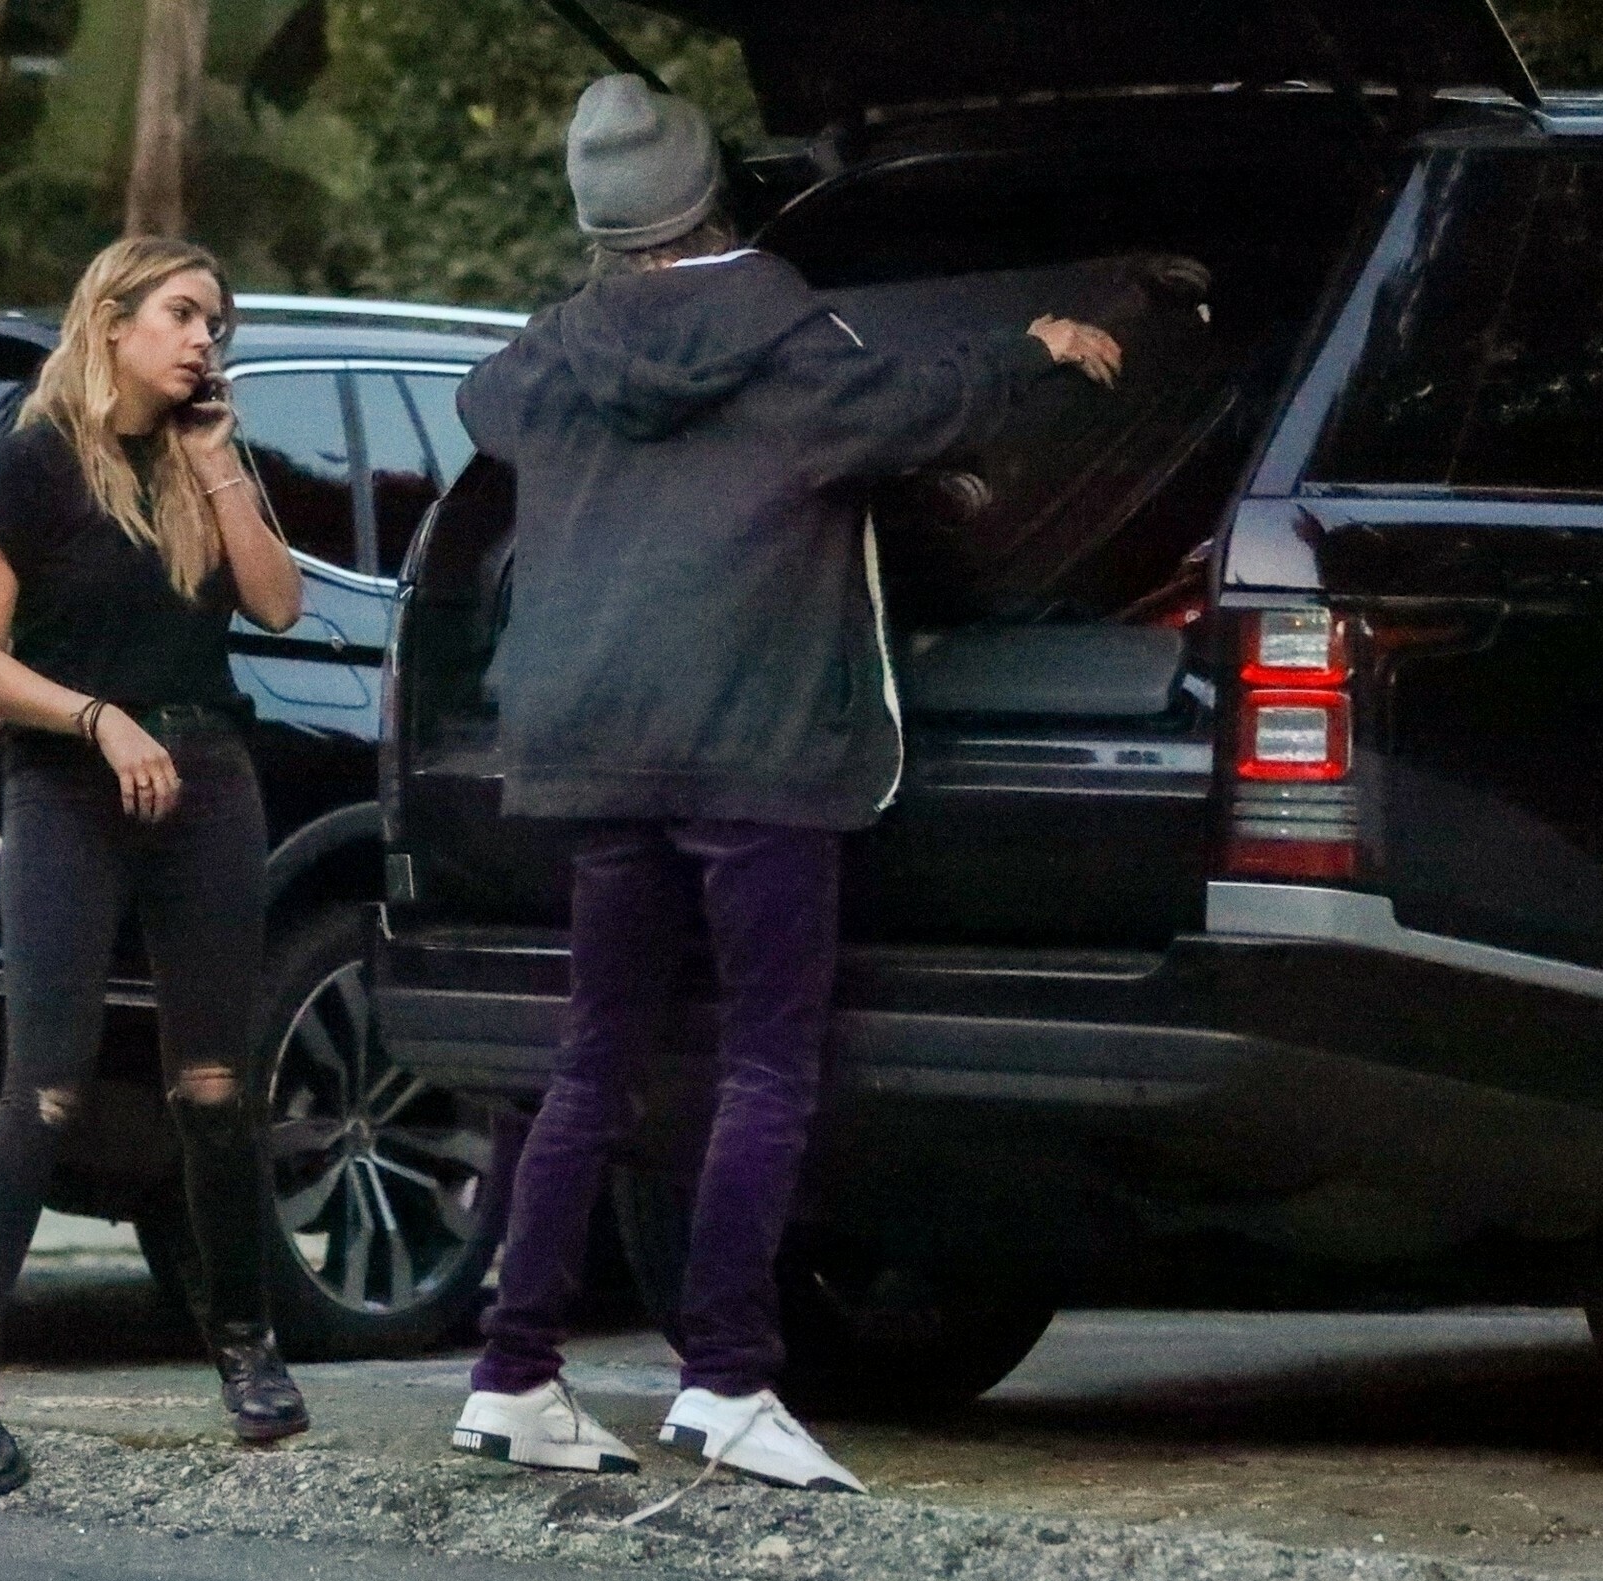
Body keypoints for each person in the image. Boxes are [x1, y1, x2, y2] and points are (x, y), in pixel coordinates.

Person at [447, 75, 1122, 1494]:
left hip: (591, 749)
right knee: (764, 1065)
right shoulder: (791, 343)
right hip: (755, 752)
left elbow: (484, 401)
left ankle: (512, 1375)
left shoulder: (552, 360)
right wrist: (1044, 347)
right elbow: (926, 406)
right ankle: (729, 1380)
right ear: (715, 200)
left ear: (600, 223)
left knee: (591, 1064)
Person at [0, 236, 311, 1497]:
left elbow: (279, 606)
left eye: (216, 324)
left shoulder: (202, 459)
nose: (204, 340)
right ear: (111, 320)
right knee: (46, 1085)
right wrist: (98, 719)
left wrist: (220, 464)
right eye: (184, 314)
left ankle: (247, 1350)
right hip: (68, 788)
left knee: (215, 1083)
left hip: (209, 783)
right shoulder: (30, 461)